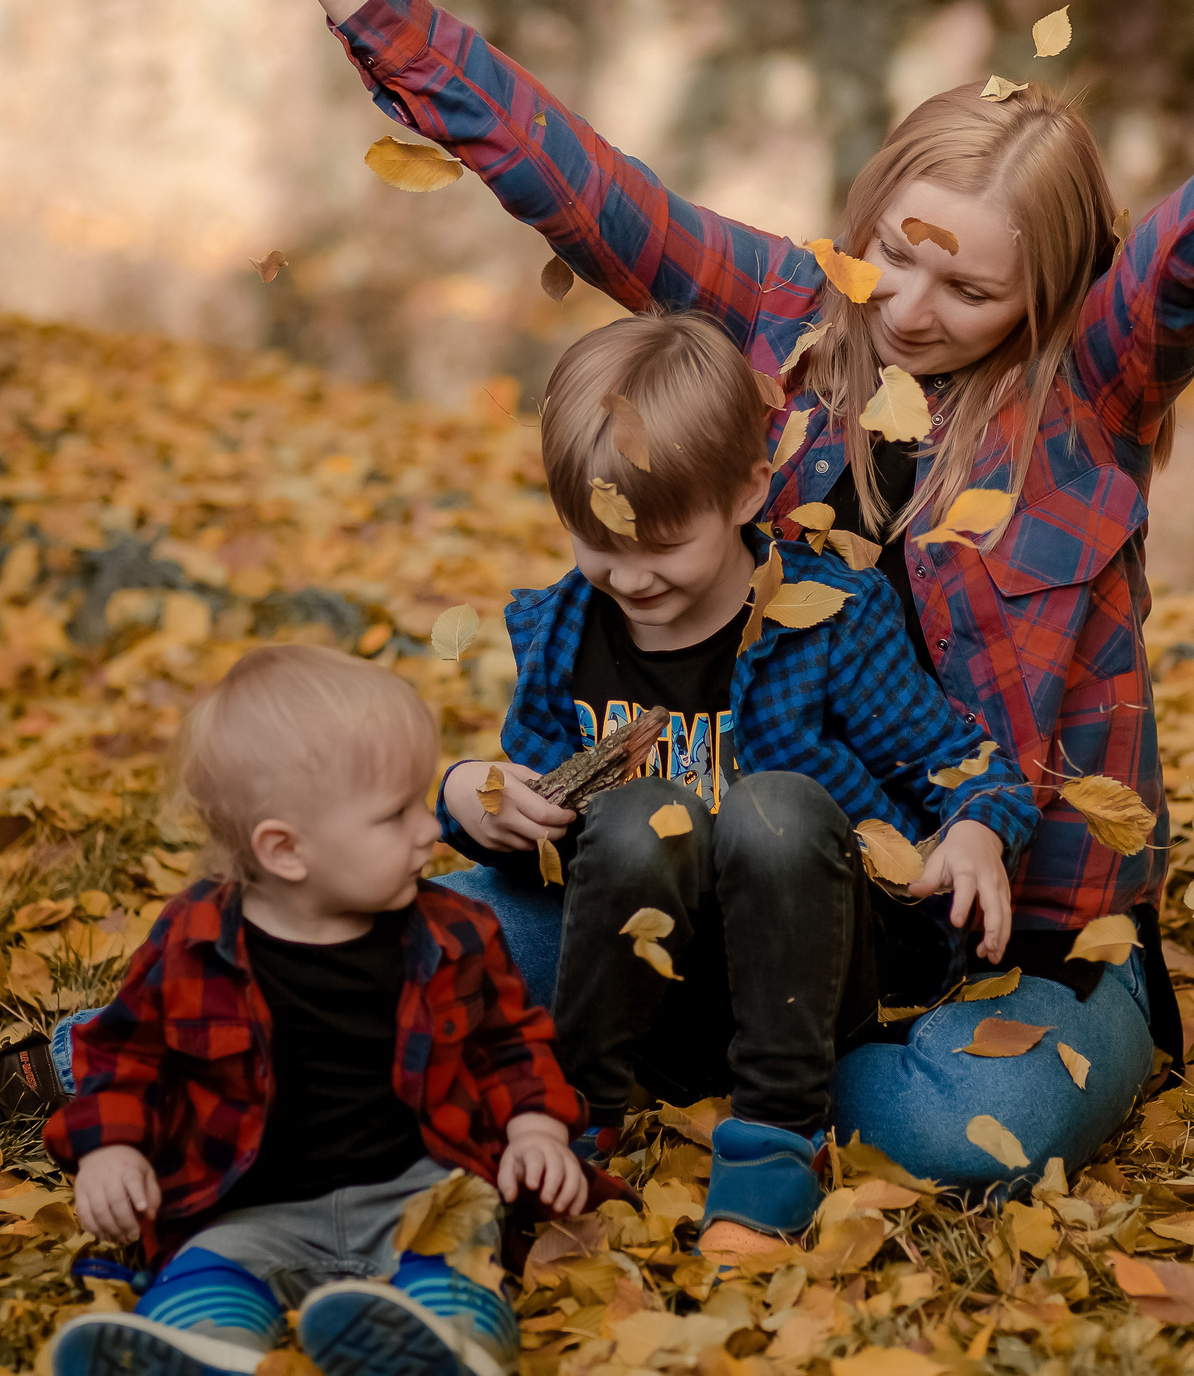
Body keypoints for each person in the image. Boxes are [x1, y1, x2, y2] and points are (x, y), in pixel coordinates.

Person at [111, 0, 1194, 1189]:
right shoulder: (790, 319)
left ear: (1042, 292)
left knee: (950, 1125)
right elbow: (584, 185)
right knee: (409, 942)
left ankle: (716, 1055)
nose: (910, 309)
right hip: (740, 872)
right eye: (892, 256)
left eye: (970, 287)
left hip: (1008, 935)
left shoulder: (1088, 394)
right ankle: (125, 1072)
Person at [429, 309, 1036, 1255]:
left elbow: (965, 765)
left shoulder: (824, 621)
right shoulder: (562, 631)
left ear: (750, 491)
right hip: (654, 978)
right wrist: (474, 795)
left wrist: (976, 830)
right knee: (642, 818)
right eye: (601, 542)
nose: (629, 577)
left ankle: (773, 1143)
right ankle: (577, 1122)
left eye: (662, 544)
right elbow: (535, 815)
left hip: (811, 957)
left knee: (773, 807)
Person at [41, 645, 587, 1376]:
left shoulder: (453, 930)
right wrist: (110, 1149)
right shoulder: (197, 940)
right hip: (247, 1202)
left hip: (416, 1190)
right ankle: (200, 1345)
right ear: (285, 849)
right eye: (395, 815)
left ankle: (441, 1337)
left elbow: (513, 1042)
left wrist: (536, 1129)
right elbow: (125, 1053)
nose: (430, 830)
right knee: (207, 1267)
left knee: (461, 1242)